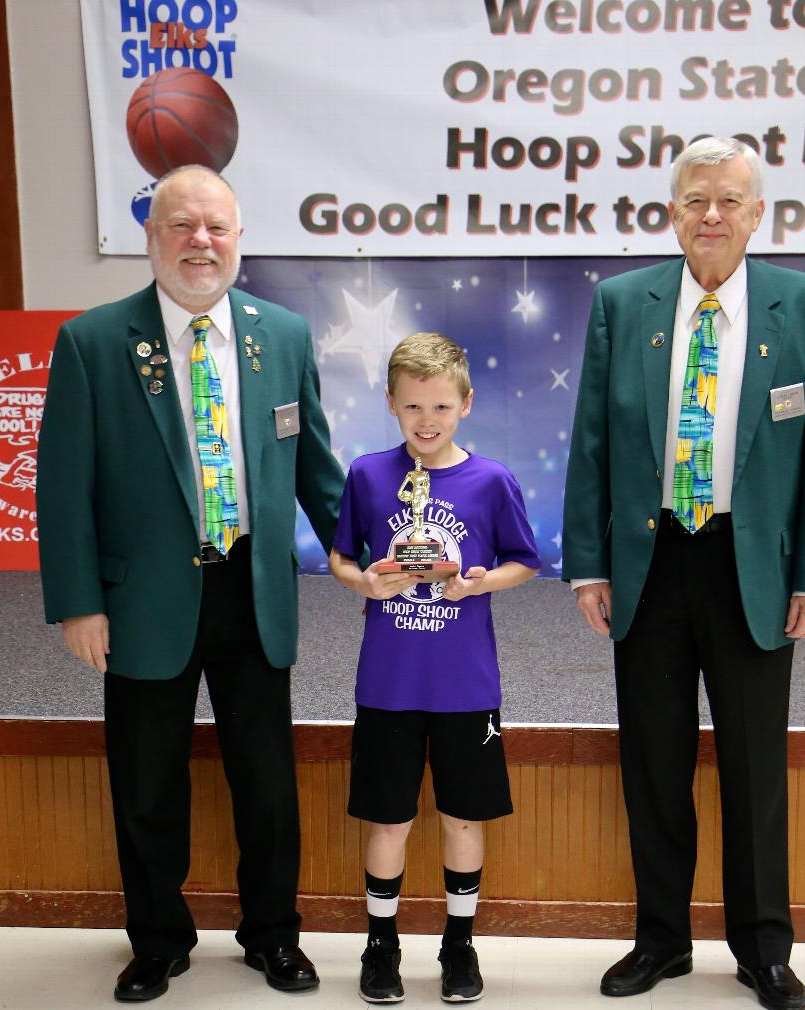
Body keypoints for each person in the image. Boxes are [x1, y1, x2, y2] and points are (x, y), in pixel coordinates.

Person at [37, 165, 344, 1002]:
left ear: (239, 239)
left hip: (253, 589)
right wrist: (78, 602)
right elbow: (63, 486)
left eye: (216, 227)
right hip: (142, 600)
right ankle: (158, 942)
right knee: (147, 782)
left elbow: (314, 465)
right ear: (151, 236)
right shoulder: (94, 341)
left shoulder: (282, 335)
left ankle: (273, 936)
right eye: (182, 225)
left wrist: (360, 550)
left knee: (267, 783)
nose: (200, 242)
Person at [562, 137, 805, 1010]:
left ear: (757, 214)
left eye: (729, 200)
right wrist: (587, 564)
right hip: (649, 563)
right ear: (673, 214)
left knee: (755, 768)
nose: (712, 215)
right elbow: (591, 443)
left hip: (751, 566)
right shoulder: (622, 304)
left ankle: (764, 949)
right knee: (653, 762)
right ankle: (661, 941)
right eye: (696, 200)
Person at [328, 332, 540, 1004]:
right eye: (414, 406)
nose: (427, 420)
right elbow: (340, 557)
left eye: (442, 407)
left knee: (463, 819)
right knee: (388, 821)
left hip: (465, 685)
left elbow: (525, 561)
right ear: (391, 402)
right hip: (388, 683)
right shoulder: (367, 474)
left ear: (466, 404)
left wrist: (480, 583)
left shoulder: (492, 480)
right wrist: (364, 583)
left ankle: (459, 943)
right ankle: (380, 945)